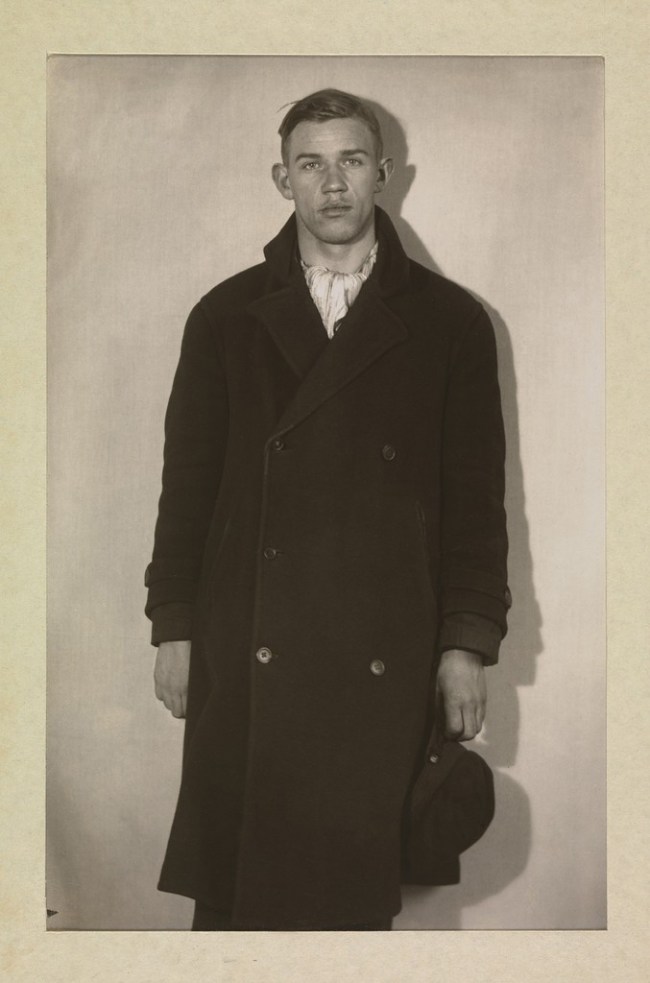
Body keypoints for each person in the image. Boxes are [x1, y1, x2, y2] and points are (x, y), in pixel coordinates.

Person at [145, 89, 510, 931]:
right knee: (238, 904)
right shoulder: (225, 314)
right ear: (283, 180)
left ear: (385, 173)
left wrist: (467, 642)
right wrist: (173, 625)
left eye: (351, 161)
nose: (333, 183)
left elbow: (475, 503)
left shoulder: (452, 322)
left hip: (383, 642)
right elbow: (187, 488)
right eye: (311, 164)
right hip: (247, 638)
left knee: (347, 906)